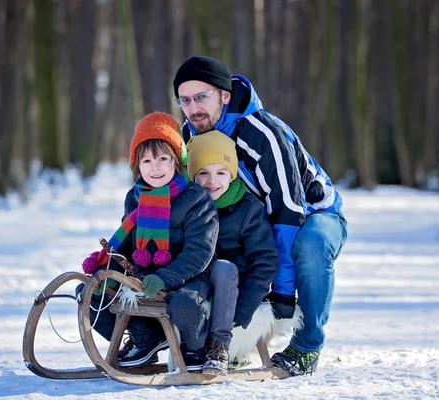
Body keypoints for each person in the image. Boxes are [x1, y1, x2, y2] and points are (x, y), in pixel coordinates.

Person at [173, 56, 348, 376]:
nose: (193, 107)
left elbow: (288, 211)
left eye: (202, 97)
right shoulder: (191, 133)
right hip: (252, 219)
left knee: (311, 245)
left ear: (224, 96)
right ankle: (229, 343)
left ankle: (307, 345)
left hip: (313, 214)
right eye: (185, 100)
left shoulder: (263, 132)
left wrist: (282, 291)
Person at [79, 111, 219, 371]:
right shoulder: (135, 197)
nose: (155, 167)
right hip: (143, 273)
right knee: (89, 292)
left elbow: (200, 251)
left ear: (176, 161)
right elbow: (127, 244)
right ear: (137, 166)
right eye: (147, 160)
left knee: (187, 304)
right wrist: (107, 268)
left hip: (187, 276)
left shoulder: (195, 199)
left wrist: (166, 277)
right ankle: (146, 337)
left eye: (163, 159)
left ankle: (194, 347)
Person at [186, 131, 279, 376]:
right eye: (203, 173)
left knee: (223, 266)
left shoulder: (247, 210)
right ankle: (186, 347)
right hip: (196, 284)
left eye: (220, 172)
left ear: (232, 174)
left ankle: (219, 346)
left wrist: (244, 309)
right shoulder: (186, 205)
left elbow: (265, 262)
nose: (211, 180)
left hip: (235, 289)